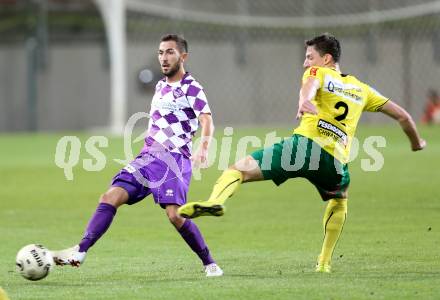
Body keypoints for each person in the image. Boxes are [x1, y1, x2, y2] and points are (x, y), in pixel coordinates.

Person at [178, 33, 426, 273]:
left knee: (237, 170)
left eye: (309, 56)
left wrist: (304, 101)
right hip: (335, 162)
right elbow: (403, 116)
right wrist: (416, 142)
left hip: (302, 148)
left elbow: (310, 84)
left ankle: (215, 201)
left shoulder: (318, 72)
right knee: (339, 199)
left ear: (326, 59)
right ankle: (324, 263)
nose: (305, 62)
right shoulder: (362, 89)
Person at [51, 34, 223, 277]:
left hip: (173, 160)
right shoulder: (160, 86)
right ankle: (81, 250)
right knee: (110, 196)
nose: (164, 57)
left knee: (175, 215)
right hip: (147, 158)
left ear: (183, 56)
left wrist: (203, 148)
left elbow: (207, 119)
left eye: (170, 52)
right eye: (161, 52)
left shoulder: (191, 87)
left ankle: (210, 263)